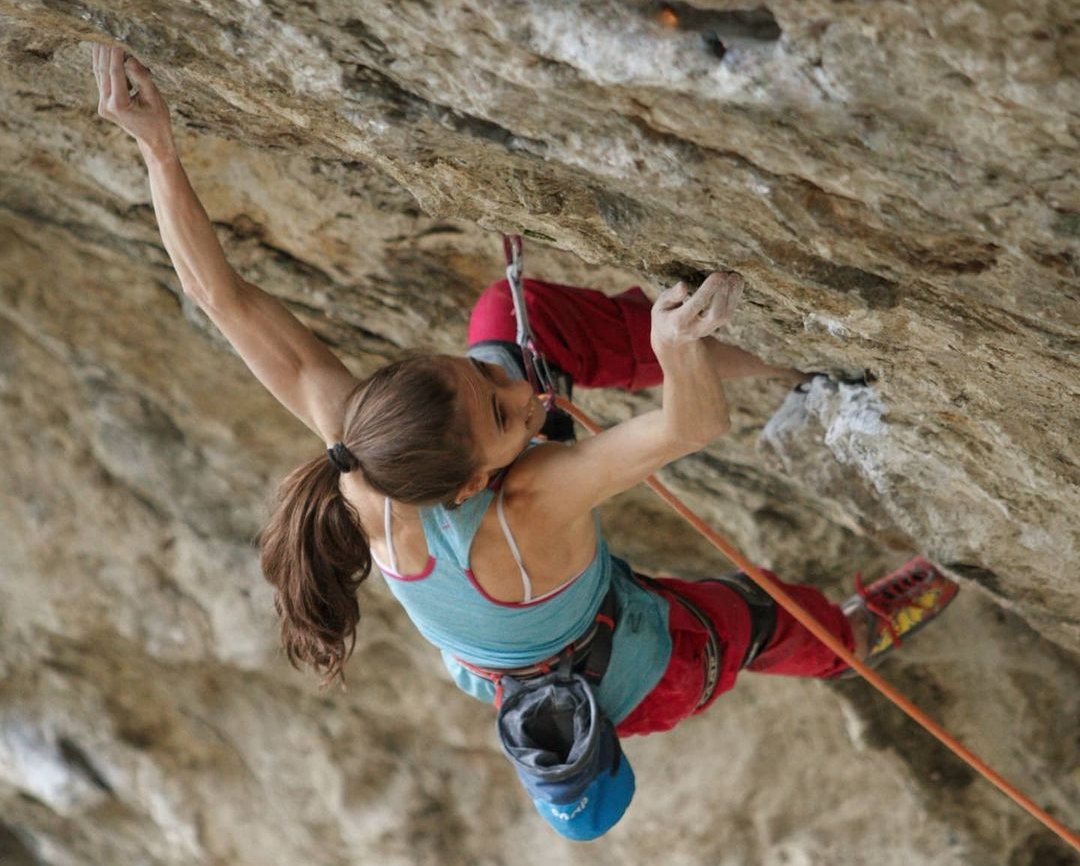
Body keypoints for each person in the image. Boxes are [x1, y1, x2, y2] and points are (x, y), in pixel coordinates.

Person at [92, 46, 958, 839]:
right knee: (762, 613)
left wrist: (158, 151)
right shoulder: (528, 504)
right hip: (638, 668)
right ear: (470, 485)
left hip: (519, 623)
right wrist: (673, 353)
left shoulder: (364, 455)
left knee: (513, 322)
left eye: (479, 382)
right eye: (505, 417)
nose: (527, 395)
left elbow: (223, 300)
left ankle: (779, 359)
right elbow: (692, 426)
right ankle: (861, 636)